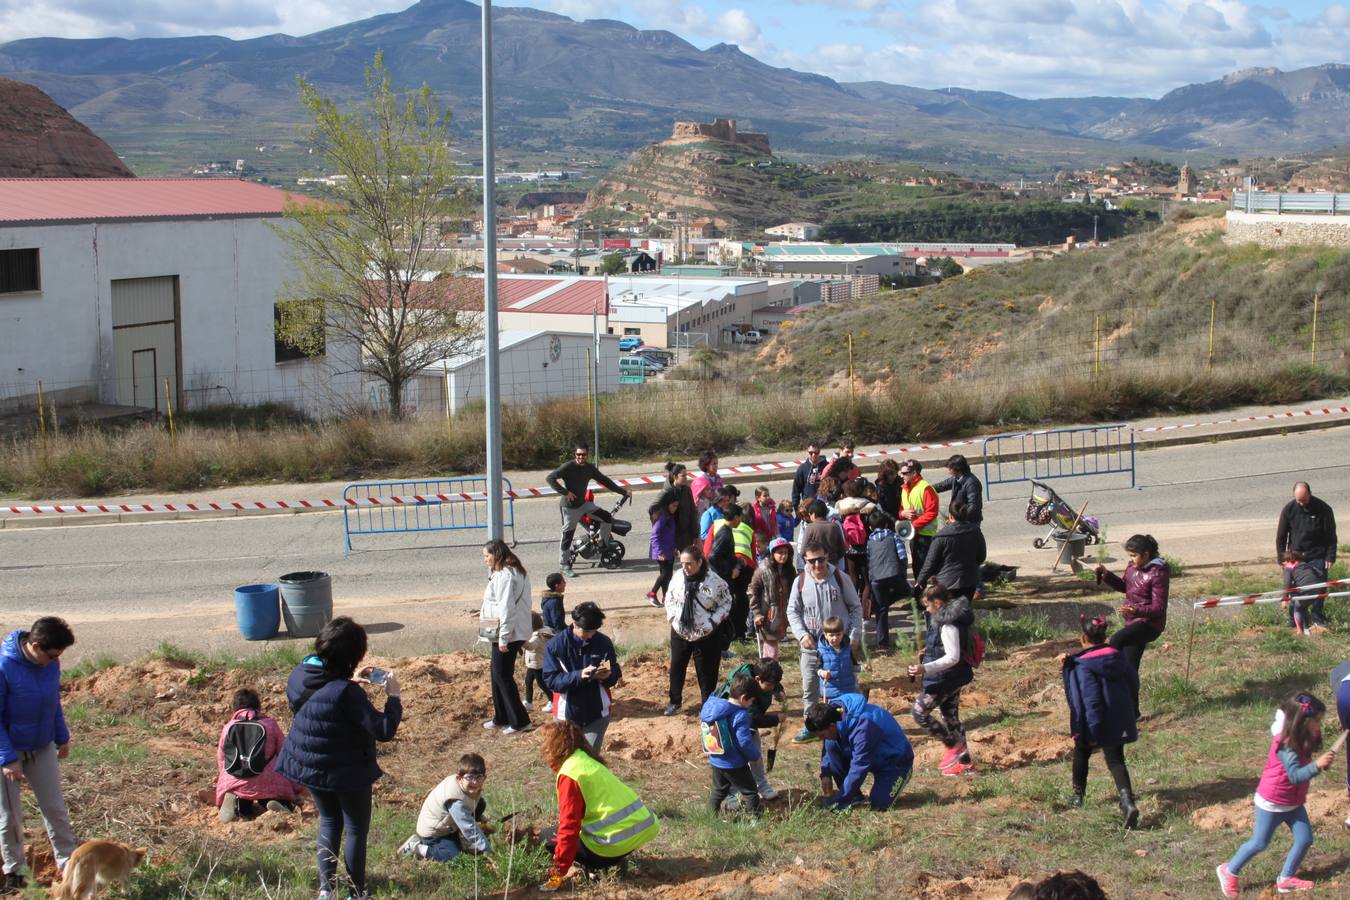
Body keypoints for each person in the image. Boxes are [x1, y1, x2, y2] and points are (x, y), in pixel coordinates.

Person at [274, 617, 402, 900]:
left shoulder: (299, 675)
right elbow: (383, 730)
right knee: (356, 828)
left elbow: (322, 701)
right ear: (353, 655)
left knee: (330, 821)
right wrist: (393, 698)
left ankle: (325, 890)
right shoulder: (346, 693)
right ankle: (357, 893)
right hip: (347, 769)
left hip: (310, 763)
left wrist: (349, 679)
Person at [1216, 693, 1338, 897]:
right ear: (1302, 721)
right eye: (1316, 721)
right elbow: (1295, 775)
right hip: (1272, 802)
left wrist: (1321, 762)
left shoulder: (1303, 736)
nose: (1319, 726)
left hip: (1293, 802)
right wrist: (1317, 765)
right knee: (1259, 843)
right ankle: (1229, 871)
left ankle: (1286, 878)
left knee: (1305, 839)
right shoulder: (1285, 745)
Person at [0, 617, 78, 893]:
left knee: (55, 807)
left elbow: (53, 702)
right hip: (10, 752)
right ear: (34, 646)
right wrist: (7, 758)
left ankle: (68, 861)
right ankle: (14, 871)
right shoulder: (4, 666)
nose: (55, 660)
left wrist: (61, 736)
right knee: (10, 816)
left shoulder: (50, 664)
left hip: (42, 745)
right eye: (53, 654)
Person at [538, 721, 658, 892]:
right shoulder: (587, 760)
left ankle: (598, 867)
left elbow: (569, 828)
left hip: (612, 844)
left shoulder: (570, 773)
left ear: (554, 747)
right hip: (641, 830)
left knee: (547, 836)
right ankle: (615, 860)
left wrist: (558, 872)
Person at [1061, 615, 1140, 828]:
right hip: (1120, 717)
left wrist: (1091, 729)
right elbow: (1134, 683)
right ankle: (1127, 801)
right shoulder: (1119, 657)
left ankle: (1078, 796)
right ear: (1104, 636)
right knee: (1115, 760)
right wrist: (1131, 711)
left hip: (1095, 721)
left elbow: (1090, 698)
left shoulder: (1083, 664)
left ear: (1083, 638)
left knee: (1082, 752)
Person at [787, 539, 863, 743]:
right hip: (812, 647)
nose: (817, 565)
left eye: (821, 560)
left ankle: (845, 726)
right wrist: (801, 634)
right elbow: (792, 611)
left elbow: (856, 607)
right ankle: (811, 727)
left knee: (845, 687)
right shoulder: (800, 582)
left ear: (827, 557)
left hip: (840, 647)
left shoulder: (840, 577)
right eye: (812, 561)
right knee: (810, 687)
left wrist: (854, 635)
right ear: (804, 561)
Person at [1092, 533, 1168, 713]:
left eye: (1134, 556)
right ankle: (1133, 712)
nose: (1131, 560)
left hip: (1149, 624)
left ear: (1147, 554)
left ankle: (1107, 677)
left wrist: (1137, 611)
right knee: (1130, 668)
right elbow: (1125, 587)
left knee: (1116, 640)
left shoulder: (1158, 572)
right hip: (1132, 622)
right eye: (1130, 556)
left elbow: (1159, 608)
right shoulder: (1132, 568)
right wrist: (1107, 575)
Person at [805, 693, 914, 811]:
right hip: (869, 755)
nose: (821, 739)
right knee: (831, 743)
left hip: (893, 762)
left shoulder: (864, 726)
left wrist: (839, 802)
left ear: (831, 726)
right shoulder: (833, 713)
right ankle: (854, 796)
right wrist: (826, 773)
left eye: (822, 735)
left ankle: (903, 773)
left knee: (879, 805)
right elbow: (828, 746)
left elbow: (859, 766)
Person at [908, 584, 976, 775]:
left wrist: (924, 667)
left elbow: (952, 657)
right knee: (951, 718)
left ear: (938, 603)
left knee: (919, 712)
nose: (927, 610)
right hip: (954, 677)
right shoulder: (949, 618)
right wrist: (928, 652)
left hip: (945, 679)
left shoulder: (948, 624)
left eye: (928, 606)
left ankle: (952, 745)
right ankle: (965, 764)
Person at [663, 545, 733, 716]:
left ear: (700, 562)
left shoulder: (715, 582)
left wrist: (711, 622)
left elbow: (726, 603)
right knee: (677, 667)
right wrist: (673, 619)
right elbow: (669, 598)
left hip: (706, 634)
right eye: (682, 563)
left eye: (689, 564)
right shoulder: (678, 577)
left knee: (707, 671)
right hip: (680, 631)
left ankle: (707, 704)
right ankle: (675, 701)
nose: (685, 568)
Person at [543, 602, 621, 751]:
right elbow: (551, 680)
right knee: (567, 760)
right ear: (574, 624)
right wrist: (579, 675)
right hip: (566, 716)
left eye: (594, 631)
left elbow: (613, 667)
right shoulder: (555, 646)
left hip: (597, 713)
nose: (591, 635)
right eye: (587, 631)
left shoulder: (603, 642)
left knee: (590, 759)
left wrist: (608, 676)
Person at [215, 687, 300, 822]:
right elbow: (285, 754)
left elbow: (221, 757)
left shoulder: (229, 727)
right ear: (258, 705)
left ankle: (240, 807)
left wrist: (225, 780)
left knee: (243, 798)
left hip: (236, 779)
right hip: (267, 779)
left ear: (235, 707)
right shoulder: (270, 724)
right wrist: (295, 787)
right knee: (270, 793)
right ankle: (277, 805)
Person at [547, 443, 631, 578]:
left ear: (587, 455)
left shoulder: (589, 468)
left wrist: (623, 492)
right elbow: (550, 478)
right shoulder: (568, 467)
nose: (581, 457)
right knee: (567, 536)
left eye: (583, 454)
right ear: (575, 455)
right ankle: (564, 564)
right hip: (569, 507)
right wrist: (565, 492)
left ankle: (602, 543)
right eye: (578, 454)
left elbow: (605, 481)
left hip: (583, 504)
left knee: (606, 517)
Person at [480, 539, 534, 734]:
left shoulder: (505, 575)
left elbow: (506, 608)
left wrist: (503, 638)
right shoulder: (515, 571)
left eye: (487, 555)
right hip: (511, 631)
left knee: (503, 676)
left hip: (508, 633)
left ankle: (520, 721)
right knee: (496, 674)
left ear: (497, 554)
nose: (485, 559)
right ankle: (501, 717)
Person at [398, 753, 492, 862]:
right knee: (454, 856)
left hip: (448, 824)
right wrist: (487, 849)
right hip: (435, 833)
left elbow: (472, 805)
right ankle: (417, 847)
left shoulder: (464, 786)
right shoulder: (456, 801)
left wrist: (481, 818)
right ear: (460, 778)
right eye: (470, 777)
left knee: (481, 804)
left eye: (479, 777)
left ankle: (464, 838)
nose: (475, 782)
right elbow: (469, 828)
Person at [714, 659, 785, 800]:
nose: (772, 688)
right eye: (770, 685)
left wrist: (779, 690)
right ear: (757, 679)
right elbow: (753, 719)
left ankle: (761, 785)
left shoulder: (763, 676)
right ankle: (732, 795)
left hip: (746, 723)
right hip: (729, 727)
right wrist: (776, 719)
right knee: (734, 760)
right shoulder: (745, 689)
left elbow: (772, 684)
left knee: (756, 754)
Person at [699, 673, 763, 817]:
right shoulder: (740, 715)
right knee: (750, 791)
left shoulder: (713, 706)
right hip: (734, 763)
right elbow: (744, 742)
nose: (751, 704)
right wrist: (756, 756)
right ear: (743, 698)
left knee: (719, 790)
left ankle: (710, 816)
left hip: (716, 759)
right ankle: (755, 820)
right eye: (751, 701)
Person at [1275, 482, 1337, 628]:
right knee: (1295, 589)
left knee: (1318, 588)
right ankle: (1293, 620)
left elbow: (1331, 535)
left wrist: (1330, 556)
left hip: (1317, 555)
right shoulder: (1289, 509)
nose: (1301, 504)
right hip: (1295, 557)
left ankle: (1317, 618)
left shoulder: (1324, 509)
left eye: (1304, 500)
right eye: (1298, 501)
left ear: (1309, 494)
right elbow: (1281, 536)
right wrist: (1282, 558)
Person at [915, 498, 986, 602]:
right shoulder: (975, 532)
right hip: (969, 580)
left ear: (950, 516)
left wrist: (921, 579)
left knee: (948, 614)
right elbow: (981, 557)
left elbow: (930, 562)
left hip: (947, 582)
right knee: (963, 611)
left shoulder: (941, 537)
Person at [707, 503, 755, 643]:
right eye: (739, 517)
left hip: (725, 574)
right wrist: (730, 569)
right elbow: (713, 556)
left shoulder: (727, 531)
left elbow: (725, 554)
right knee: (727, 606)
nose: (740, 520)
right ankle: (725, 637)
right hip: (722, 576)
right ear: (735, 517)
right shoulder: (724, 533)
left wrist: (737, 561)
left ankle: (732, 635)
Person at [866, 509, 910, 649]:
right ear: (886, 525)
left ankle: (883, 642)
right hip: (893, 574)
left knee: (881, 610)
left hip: (876, 579)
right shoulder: (894, 537)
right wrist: (902, 570)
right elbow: (903, 556)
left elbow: (869, 559)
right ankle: (883, 603)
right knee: (906, 590)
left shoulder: (870, 541)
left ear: (870, 528)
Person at [750, 538, 795, 659]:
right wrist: (757, 613)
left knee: (771, 647)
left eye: (786, 552)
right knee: (771, 650)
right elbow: (753, 592)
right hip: (767, 615)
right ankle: (768, 672)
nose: (783, 556)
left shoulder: (789, 570)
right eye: (780, 552)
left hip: (782, 613)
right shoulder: (763, 570)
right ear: (772, 553)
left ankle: (768, 670)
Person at [898, 459, 940, 583]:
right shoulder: (905, 488)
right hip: (914, 535)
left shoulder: (925, 488)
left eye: (905, 473)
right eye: (901, 473)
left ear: (914, 473)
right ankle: (920, 596)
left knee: (925, 569)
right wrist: (902, 513)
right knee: (917, 567)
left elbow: (932, 512)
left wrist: (914, 525)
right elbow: (901, 509)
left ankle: (928, 596)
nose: (901, 476)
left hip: (926, 536)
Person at [931, 454, 983, 524]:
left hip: (968, 520)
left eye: (950, 469)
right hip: (957, 513)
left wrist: (957, 520)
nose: (948, 471)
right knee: (941, 509)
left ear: (957, 469)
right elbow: (941, 486)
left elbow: (973, 507)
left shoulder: (972, 483)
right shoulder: (957, 477)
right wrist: (925, 488)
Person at [648, 493, 679, 607]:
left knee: (668, 575)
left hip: (669, 551)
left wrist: (675, 547)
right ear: (667, 505)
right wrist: (660, 552)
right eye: (674, 506)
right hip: (661, 552)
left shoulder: (670, 516)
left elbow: (671, 534)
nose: (675, 509)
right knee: (665, 574)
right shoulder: (662, 517)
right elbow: (654, 536)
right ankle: (652, 593)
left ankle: (666, 597)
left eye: (677, 506)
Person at [817, 616, 858, 700]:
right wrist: (822, 672)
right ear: (825, 635)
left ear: (843, 633)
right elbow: (816, 668)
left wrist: (863, 668)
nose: (835, 638)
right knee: (833, 712)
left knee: (847, 712)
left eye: (838, 634)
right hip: (830, 691)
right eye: (831, 635)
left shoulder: (847, 648)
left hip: (848, 690)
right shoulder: (821, 651)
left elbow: (853, 665)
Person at [662, 462, 699, 552]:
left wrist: (695, 534)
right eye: (683, 476)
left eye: (686, 475)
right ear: (675, 477)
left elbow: (693, 512)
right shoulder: (667, 492)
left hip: (686, 535)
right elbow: (654, 510)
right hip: (671, 535)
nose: (686, 478)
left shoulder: (686, 490)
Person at [522, 612, 555, 712]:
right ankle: (528, 702)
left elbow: (530, 646)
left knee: (541, 683)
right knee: (528, 681)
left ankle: (553, 701)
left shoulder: (538, 636)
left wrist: (521, 640)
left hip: (538, 664)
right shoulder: (541, 632)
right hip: (533, 663)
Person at [801, 499, 847, 565]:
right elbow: (842, 550)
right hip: (832, 564)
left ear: (813, 514)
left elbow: (803, 551)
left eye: (810, 514)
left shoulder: (810, 527)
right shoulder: (834, 526)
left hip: (815, 564)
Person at [791, 443, 828, 508]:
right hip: (808, 506)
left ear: (819, 452)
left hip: (824, 505)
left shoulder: (827, 467)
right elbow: (796, 490)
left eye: (816, 452)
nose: (813, 455)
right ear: (807, 452)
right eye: (811, 453)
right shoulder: (802, 468)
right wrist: (796, 507)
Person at [690, 449, 724, 516]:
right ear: (706, 465)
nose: (716, 466)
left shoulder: (718, 478)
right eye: (714, 464)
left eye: (717, 463)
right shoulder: (702, 481)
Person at [749, 486, 778, 556]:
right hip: (760, 539)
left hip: (771, 537)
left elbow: (775, 522)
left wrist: (777, 535)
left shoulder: (771, 508)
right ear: (757, 498)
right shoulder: (754, 510)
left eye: (768, 495)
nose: (768, 497)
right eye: (765, 496)